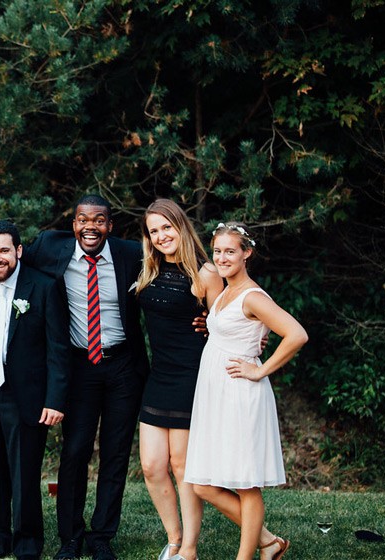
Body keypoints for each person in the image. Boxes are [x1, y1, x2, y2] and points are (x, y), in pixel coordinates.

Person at [0, 195, 149, 560]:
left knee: (115, 456)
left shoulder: (132, 254)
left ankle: (101, 537)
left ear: (110, 226)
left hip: (122, 365)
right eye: (83, 220)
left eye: (99, 221)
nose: (90, 227)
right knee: (74, 452)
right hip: (79, 365)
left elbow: (173, 278)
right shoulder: (49, 247)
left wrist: (209, 315)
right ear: (73, 224)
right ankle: (68, 537)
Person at [184, 222, 308, 560]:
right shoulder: (225, 292)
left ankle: (246, 557)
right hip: (216, 393)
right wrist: (210, 325)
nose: (222, 258)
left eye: (230, 251)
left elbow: (296, 334)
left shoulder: (253, 295)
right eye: (218, 251)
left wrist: (260, 369)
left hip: (241, 393)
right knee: (202, 484)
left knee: (244, 482)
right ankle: (268, 542)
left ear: (246, 253)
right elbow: (234, 332)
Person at [0, 220, 69, 560]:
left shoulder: (43, 286)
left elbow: (58, 348)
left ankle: (27, 544)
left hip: (26, 393)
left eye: (4, 251)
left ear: (19, 251)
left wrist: (55, 399)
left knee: (24, 472)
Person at [134, 200, 223, 560]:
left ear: (181, 227)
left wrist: (257, 338)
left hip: (192, 375)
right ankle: (173, 537)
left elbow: (228, 322)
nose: (161, 236)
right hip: (160, 376)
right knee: (152, 466)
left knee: (182, 466)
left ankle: (189, 548)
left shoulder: (207, 273)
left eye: (166, 227)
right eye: (154, 231)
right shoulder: (149, 271)